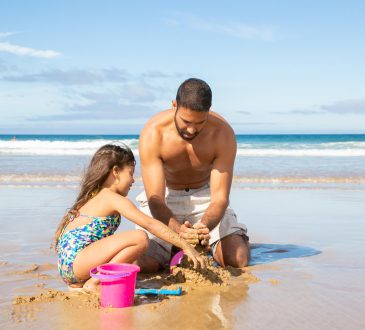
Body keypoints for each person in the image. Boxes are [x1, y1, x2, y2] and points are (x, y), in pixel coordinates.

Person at [54, 144, 205, 292]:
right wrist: (185, 245)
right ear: (115, 171)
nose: (133, 180)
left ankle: (89, 280)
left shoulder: (93, 197)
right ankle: (96, 281)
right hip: (77, 262)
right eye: (131, 173)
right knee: (140, 237)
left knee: (143, 261)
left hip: (70, 268)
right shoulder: (111, 197)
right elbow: (149, 224)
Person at [136, 78, 249, 272]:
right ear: (174, 105)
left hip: (205, 198)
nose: (191, 129)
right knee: (143, 265)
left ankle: (220, 242)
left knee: (237, 259)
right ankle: (174, 250)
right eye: (186, 121)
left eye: (200, 123)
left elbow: (220, 198)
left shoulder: (222, 133)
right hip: (165, 198)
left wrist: (203, 227)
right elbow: (155, 199)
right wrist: (178, 231)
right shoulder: (153, 133)